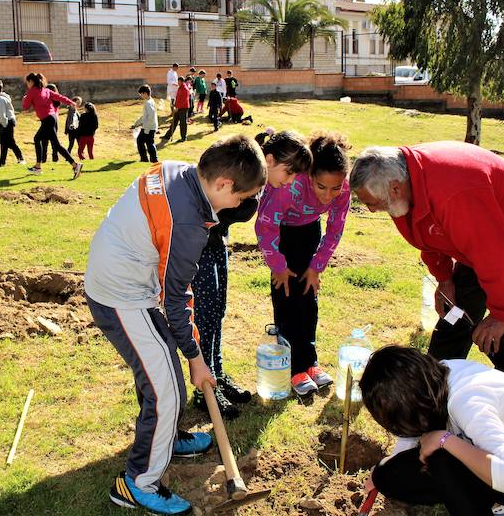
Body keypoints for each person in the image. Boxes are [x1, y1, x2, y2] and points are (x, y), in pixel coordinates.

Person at [85, 135, 267, 515]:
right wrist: (196, 357)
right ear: (223, 184)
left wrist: (189, 354)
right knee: (166, 389)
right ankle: (139, 483)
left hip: (121, 280)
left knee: (160, 372)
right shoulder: (188, 224)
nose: (240, 206)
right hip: (121, 296)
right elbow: (177, 300)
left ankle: (166, 438)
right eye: (241, 197)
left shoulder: (179, 170)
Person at [349, 142, 504, 393]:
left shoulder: (456, 194)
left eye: (374, 203)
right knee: (455, 316)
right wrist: (445, 279)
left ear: (394, 188)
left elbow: (492, 256)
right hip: (484, 241)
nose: (371, 209)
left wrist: (502, 315)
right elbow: (426, 234)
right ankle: (433, 394)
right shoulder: (402, 181)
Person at [360, 346, 504, 516]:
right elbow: (410, 443)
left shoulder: (468, 402)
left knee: (441, 460)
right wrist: (382, 471)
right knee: (389, 476)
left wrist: (445, 439)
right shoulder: (433, 377)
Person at [257, 132, 352, 397]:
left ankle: (309, 362)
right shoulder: (291, 184)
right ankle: (293, 367)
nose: (328, 195)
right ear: (310, 175)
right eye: (321, 187)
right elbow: (265, 224)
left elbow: (335, 229)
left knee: (308, 300)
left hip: (310, 232)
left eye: (335, 188)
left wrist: (316, 267)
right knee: (287, 299)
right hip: (282, 236)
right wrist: (277, 266)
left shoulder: (342, 188)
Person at [190, 193, 263, 419]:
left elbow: (245, 208)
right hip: (198, 247)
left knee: (217, 311)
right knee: (204, 317)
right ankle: (205, 388)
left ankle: (218, 374)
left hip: (217, 241)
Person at [22, 72, 82, 178]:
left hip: (47, 120)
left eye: (27, 82)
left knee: (43, 141)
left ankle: (75, 165)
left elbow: (25, 107)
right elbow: (59, 97)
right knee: (49, 143)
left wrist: (25, 98)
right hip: (52, 118)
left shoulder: (32, 91)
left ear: (31, 82)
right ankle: (39, 166)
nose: (27, 85)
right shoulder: (46, 90)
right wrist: (70, 102)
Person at [0, 80, 24, 167]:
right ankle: (3, 162)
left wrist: (3, 125)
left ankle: (20, 158)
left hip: (7, 122)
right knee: (6, 143)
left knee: (9, 142)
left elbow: (2, 113)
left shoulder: (0, 99)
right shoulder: (4, 97)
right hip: (9, 121)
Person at [132, 85, 158, 163]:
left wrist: (146, 129)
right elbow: (145, 117)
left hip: (148, 127)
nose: (141, 96)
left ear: (145, 93)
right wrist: (137, 123)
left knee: (141, 141)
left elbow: (150, 116)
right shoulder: (151, 100)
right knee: (149, 143)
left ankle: (145, 159)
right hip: (151, 126)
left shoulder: (148, 103)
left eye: (141, 94)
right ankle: (153, 159)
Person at [161, 76, 189, 143]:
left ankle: (183, 138)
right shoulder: (180, 88)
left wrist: (178, 108)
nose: (178, 83)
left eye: (179, 81)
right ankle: (167, 136)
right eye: (178, 81)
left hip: (183, 108)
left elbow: (184, 100)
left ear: (182, 81)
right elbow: (178, 98)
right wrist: (175, 106)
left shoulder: (185, 89)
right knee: (174, 122)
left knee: (183, 123)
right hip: (178, 108)